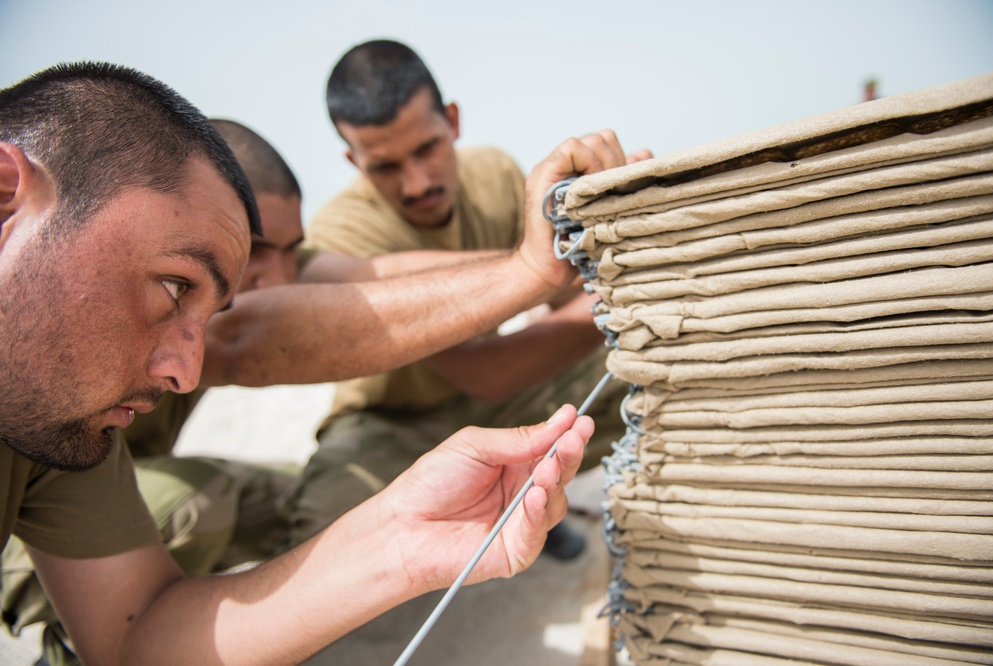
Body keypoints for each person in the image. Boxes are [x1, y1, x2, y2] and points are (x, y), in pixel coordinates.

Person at [0, 61, 630, 665]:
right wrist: (530, 273)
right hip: (87, 534)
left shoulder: (58, 437)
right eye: (174, 287)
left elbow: (140, 636)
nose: (187, 371)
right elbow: (247, 337)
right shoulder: (65, 405)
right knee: (204, 502)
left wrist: (395, 541)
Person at [286, 39, 651, 555]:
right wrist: (617, 298)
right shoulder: (345, 233)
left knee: (643, 371)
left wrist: (623, 251)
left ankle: (522, 500)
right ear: (353, 159)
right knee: (327, 536)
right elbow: (481, 371)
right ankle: (506, 499)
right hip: (392, 423)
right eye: (386, 167)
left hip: (496, 406)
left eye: (426, 149)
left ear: (452, 120)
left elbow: (556, 305)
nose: (416, 183)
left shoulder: (496, 174)